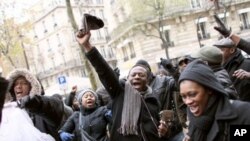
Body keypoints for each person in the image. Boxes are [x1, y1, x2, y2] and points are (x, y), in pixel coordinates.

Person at [76, 31, 163, 141]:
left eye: (141, 75)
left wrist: (165, 130)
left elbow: (158, 124)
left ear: (148, 79)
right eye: (133, 75)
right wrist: (87, 46)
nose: (137, 77)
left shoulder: (153, 99)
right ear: (128, 78)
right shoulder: (120, 91)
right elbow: (104, 71)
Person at [179, 59, 250, 141]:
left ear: (209, 89)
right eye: (183, 96)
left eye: (192, 94)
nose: (188, 101)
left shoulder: (243, 114)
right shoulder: (194, 120)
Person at [7, 68, 64, 141]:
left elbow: (54, 107)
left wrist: (35, 103)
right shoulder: (11, 113)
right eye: (15, 84)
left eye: (24, 83)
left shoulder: (43, 105)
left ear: (32, 86)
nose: (18, 86)